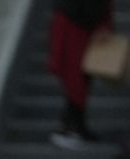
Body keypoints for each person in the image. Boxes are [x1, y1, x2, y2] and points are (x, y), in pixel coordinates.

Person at [48, 0, 113, 149]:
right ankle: (72, 126)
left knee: (80, 80)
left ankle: (76, 125)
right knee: (76, 80)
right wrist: (99, 25)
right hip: (76, 30)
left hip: (78, 27)